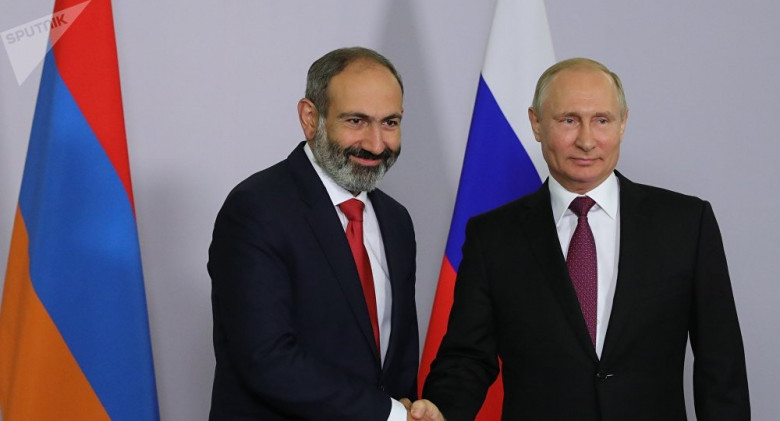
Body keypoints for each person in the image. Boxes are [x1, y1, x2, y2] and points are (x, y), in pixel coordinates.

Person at [411, 58, 750, 420]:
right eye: (568, 121)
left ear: (623, 124)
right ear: (536, 124)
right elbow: (467, 358)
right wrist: (440, 409)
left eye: (602, 120)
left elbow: (721, 366)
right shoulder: (492, 237)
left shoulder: (686, 224)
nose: (587, 141)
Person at [208, 47, 419, 420]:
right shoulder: (256, 209)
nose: (376, 144)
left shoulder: (396, 220)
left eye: (390, 122)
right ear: (310, 118)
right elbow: (267, 358)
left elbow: (395, 365)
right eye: (356, 121)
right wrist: (390, 415)